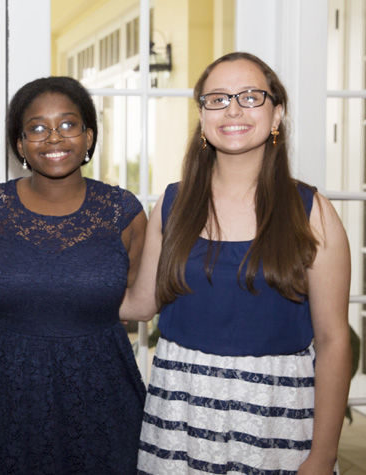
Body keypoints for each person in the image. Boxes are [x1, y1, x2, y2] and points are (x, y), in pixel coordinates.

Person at [121, 52, 352, 474]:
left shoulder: (312, 212)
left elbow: (335, 342)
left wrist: (322, 455)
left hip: (277, 420)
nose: (232, 109)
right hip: (180, 416)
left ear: (277, 113)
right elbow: (139, 304)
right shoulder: (172, 204)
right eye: (218, 98)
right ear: (202, 115)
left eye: (250, 96)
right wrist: (61, 282)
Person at [0, 76, 148, 474]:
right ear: (19, 144)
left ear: (89, 136)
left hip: (103, 392)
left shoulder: (122, 211)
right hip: (13, 392)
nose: (54, 138)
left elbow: (139, 295)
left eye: (68, 125)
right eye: (37, 128)